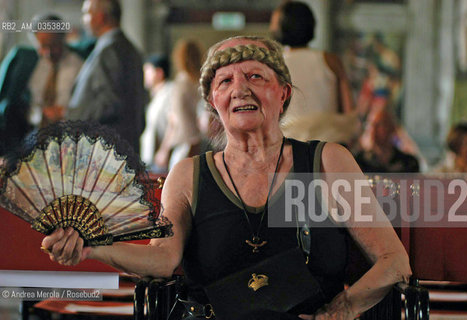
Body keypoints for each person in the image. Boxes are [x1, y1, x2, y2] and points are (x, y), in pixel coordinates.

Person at [41, 36, 411, 320]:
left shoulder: (328, 162)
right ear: (212, 102)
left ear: (282, 94)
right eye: (225, 81)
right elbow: (163, 260)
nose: (240, 89)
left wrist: (343, 308)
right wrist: (92, 245)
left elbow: (394, 262)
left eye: (255, 76)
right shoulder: (188, 175)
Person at [269, 1, 358, 146]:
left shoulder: (274, 65)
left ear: (283, 26)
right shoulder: (331, 61)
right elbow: (349, 113)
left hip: (288, 147)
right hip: (330, 145)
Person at [67, 0, 146, 154]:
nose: (84, 19)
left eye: (86, 13)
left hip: (106, 152)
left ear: (100, 17)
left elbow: (110, 103)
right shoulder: (126, 47)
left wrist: (72, 114)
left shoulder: (110, 49)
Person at [0, 13, 84, 154]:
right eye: (43, 46)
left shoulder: (79, 66)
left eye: (54, 46)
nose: (49, 53)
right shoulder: (28, 64)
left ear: (64, 38)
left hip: (67, 142)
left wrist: (64, 112)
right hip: (30, 139)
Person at [154, 39, 203, 170]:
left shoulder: (181, 83)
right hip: (198, 141)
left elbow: (173, 120)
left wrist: (163, 150)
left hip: (183, 142)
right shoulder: (201, 82)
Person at [355, 108, 419, 173]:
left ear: (392, 128)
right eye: (373, 125)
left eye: (382, 125)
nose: (375, 130)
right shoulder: (360, 161)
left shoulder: (407, 162)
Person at [140, 54, 174, 168]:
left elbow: (173, 122)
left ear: (159, 73)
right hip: (151, 157)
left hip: (163, 158)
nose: (144, 75)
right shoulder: (157, 95)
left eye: (148, 71)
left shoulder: (170, 92)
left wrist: (164, 151)